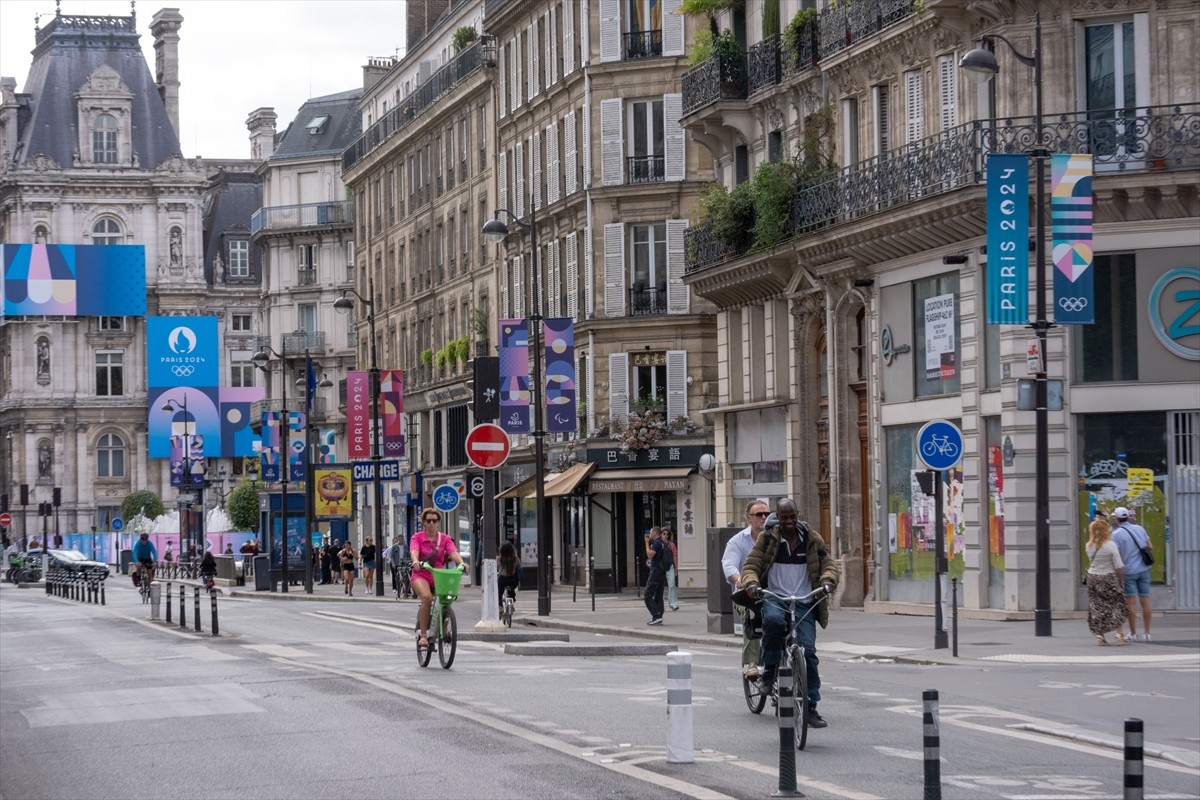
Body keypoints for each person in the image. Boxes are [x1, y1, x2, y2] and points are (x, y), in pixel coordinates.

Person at [741, 498, 839, 729]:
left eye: (792, 517)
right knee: (773, 622)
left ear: (798, 515)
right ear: (778, 517)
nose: (788, 522)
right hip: (776, 598)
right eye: (784, 517)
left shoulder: (812, 539)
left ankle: (811, 707)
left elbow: (829, 565)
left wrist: (828, 581)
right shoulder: (768, 539)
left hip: (804, 601)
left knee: (810, 654)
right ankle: (770, 671)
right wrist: (752, 583)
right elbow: (751, 566)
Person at [722, 499, 772, 678]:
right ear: (748, 518)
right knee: (752, 615)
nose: (764, 518)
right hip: (746, 594)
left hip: (772, 592)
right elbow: (729, 565)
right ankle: (752, 662)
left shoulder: (775, 538)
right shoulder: (737, 541)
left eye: (767, 514)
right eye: (759, 514)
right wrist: (739, 579)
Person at [409, 509, 465, 648]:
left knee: (447, 598)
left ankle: (444, 628)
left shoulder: (445, 538)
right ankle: (423, 635)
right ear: (424, 522)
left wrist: (461, 563)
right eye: (429, 521)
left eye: (435, 520)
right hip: (421, 573)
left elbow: (453, 552)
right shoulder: (417, 537)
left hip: (438, 574)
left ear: (439, 522)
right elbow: (414, 551)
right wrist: (415, 561)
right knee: (427, 597)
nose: (432, 523)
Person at [1111, 507, 1153, 642]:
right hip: (1143, 569)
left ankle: (1133, 633)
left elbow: (1115, 554)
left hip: (1128, 571)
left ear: (1117, 519)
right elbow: (1149, 546)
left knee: (1131, 603)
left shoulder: (1116, 534)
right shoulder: (1140, 528)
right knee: (1145, 600)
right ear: (1128, 517)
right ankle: (1147, 633)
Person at [1085, 516, 1127, 645]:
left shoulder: (1089, 546)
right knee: (1116, 605)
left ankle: (1100, 636)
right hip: (1108, 577)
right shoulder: (1111, 545)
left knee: (1096, 606)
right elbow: (1118, 566)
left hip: (1092, 578)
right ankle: (1119, 635)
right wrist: (1121, 581)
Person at [643, 526, 666, 625]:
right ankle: (659, 616)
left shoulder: (656, 544)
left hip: (655, 572)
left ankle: (656, 614)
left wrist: (646, 543)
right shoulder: (663, 543)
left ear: (655, 533)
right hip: (662, 572)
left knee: (647, 595)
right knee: (658, 594)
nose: (650, 535)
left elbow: (649, 555)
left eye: (651, 532)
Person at [496, 541, 522, 612]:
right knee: (511, 590)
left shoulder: (500, 559)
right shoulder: (514, 558)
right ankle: (511, 604)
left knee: (499, 592)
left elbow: (495, 566)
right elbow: (519, 565)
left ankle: (500, 606)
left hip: (503, 580)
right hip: (513, 580)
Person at [662, 528, 680, 611]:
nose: (665, 535)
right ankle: (659, 604)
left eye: (667, 534)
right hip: (660, 567)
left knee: (672, 584)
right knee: (658, 586)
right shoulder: (658, 543)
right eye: (664, 533)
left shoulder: (672, 545)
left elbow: (675, 556)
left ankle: (673, 603)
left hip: (670, 567)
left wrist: (676, 567)